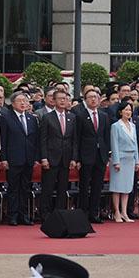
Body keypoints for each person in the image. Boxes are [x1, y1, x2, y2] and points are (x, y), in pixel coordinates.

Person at [0, 90, 40, 226]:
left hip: (28, 158)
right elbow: (3, 140)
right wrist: (4, 158)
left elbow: (35, 139)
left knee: (25, 188)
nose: (23, 103)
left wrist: (35, 157)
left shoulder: (31, 118)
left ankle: (23, 214)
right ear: (13, 103)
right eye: (20, 101)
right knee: (13, 188)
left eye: (25, 101)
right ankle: (13, 215)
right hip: (13, 158)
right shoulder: (6, 118)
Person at [38, 88, 78, 220]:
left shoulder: (72, 117)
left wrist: (74, 158)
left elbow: (74, 140)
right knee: (48, 188)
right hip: (51, 158)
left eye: (65, 99)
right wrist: (44, 158)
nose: (63, 101)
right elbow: (43, 140)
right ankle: (45, 214)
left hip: (66, 158)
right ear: (54, 101)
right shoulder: (47, 117)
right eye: (60, 99)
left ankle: (59, 214)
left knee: (62, 188)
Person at [75, 88, 111, 223]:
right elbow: (77, 138)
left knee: (97, 186)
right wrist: (77, 158)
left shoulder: (104, 116)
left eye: (95, 97)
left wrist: (107, 154)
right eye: (90, 97)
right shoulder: (80, 115)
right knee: (84, 186)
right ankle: (83, 214)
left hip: (100, 155)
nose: (93, 99)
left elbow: (106, 136)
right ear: (85, 100)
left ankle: (94, 213)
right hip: (86, 155)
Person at [109, 103, 139, 223]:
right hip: (120, 159)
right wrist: (116, 161)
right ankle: (116, 211)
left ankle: (124, 212)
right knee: (117, 187)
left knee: (127, 187)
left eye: (130, 110)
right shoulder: (116, 126)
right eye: (126, 110)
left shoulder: (133, 126)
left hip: (130, 158)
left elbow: (135, 144)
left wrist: (136, 160)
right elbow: (114, 144)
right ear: (120, 112)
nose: (128, 112)